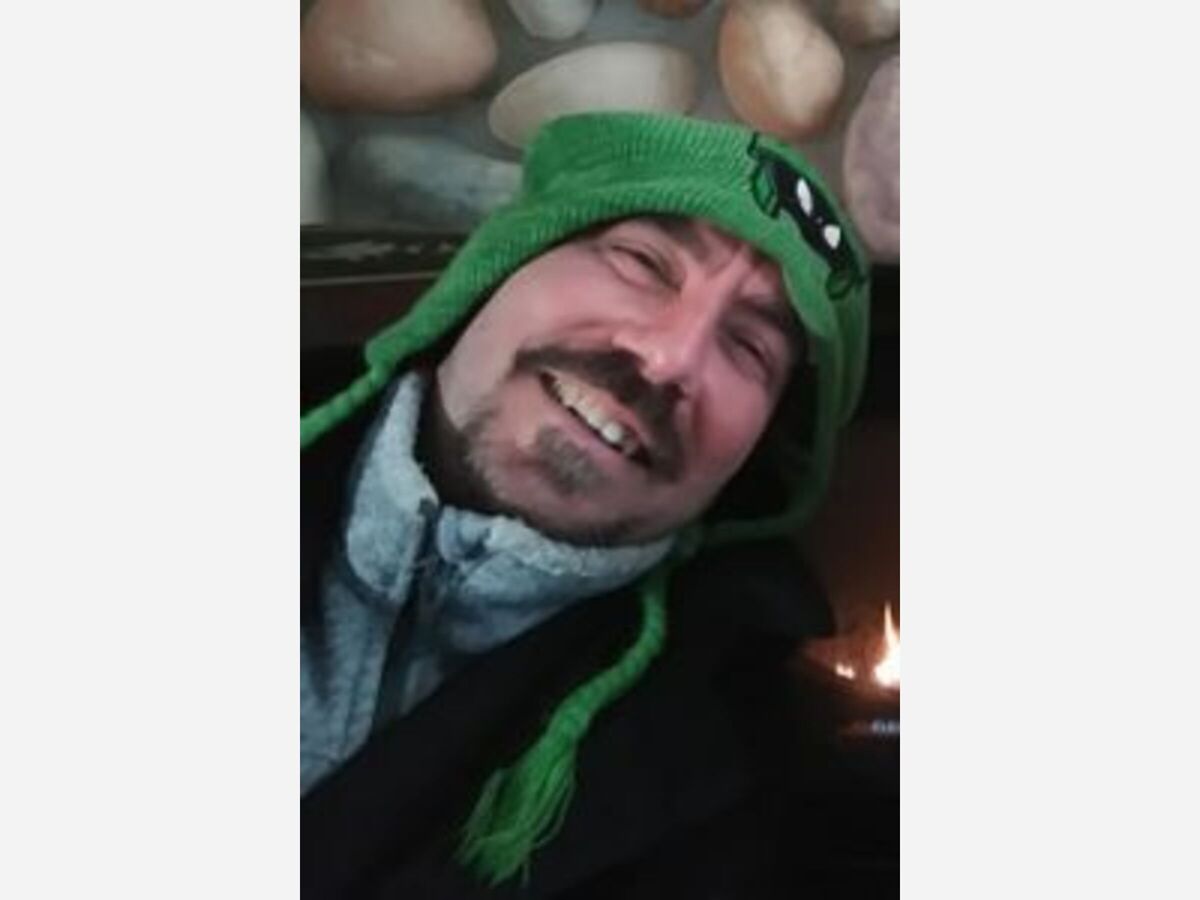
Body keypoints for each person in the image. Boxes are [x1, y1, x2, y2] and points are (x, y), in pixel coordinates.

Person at [301, 111, 872, 898]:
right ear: (503, 263)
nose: (670, 357)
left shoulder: (742, 778)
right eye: (641, 261)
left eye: (749, 348)